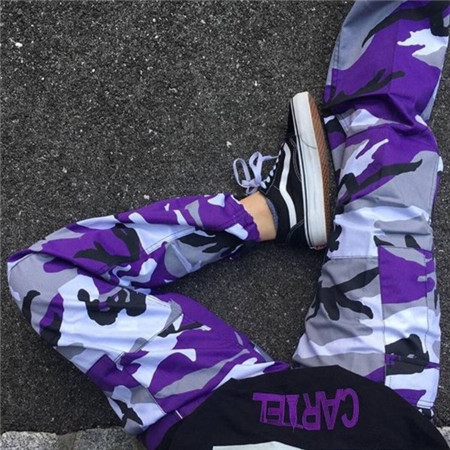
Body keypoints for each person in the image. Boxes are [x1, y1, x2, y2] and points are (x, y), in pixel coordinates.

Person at [7, 1, 450, 449]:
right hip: (373, 415)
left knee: (42, 275)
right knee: (387, 145)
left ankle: (273, 211)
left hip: (218, 412)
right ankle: (272, 210)